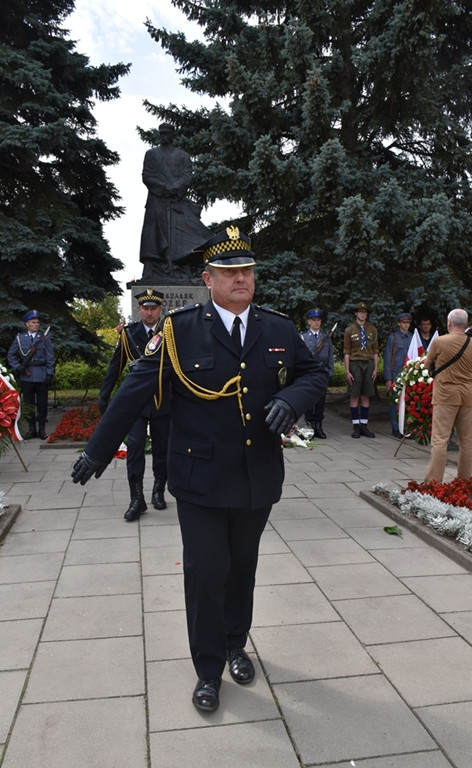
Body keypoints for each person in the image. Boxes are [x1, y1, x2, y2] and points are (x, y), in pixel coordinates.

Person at [72, 225, 327, 714]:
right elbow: (134, 390)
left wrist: (290, 399)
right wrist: (97, 452)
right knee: (206, 571)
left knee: (242, 569)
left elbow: (312, 371)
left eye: (247, 271)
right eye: (230, 273)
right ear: (207, 279)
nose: (241, 279)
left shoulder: (276, 327)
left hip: (256, 476)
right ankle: (208, 669)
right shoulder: (179, 330)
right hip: (200, 480)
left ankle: (236, 644)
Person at [98, 289, 171, 521]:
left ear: (160, 309)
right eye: (145, 308)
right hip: (136, 402)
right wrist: (104, 394)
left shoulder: (168, 332)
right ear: (139, 309)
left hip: (163, 398)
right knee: (135, 449)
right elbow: (116, 365)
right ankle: (136, 498)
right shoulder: (129, 334)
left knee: (162, 450)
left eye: (154, 308)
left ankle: (158, 491)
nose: (149, 313)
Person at [139, 123, 211, 282]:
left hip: (176, 202)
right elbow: (147, 176)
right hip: (156, 202)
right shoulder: (151, 154)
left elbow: (187, 176)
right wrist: (164, 188)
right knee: (155, 238)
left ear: (172, 135)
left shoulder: (182, 156)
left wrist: (175, 187)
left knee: (179, 236)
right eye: (161, 133)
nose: (164, 136)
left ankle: (179, 267)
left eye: (167, 133)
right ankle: (154, 269)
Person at [423, 308, 472, 483]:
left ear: (449, 323)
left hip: (445, 395)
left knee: (440, 440)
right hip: (468, 396)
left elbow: (428, 365)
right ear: (465, 324)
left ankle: (433, 482)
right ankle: (464, 483)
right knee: (467, 442)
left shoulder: (439, 341)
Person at [8, 310, 54, 440]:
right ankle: (31, 429)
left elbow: (50, 357)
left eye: (38, 322)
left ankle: (42, 430)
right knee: (28, 404)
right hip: (27, 375)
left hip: (41, 374)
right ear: (27, 324)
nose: (36, 325)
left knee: (42, 404)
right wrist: (18, 367)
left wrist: (50, 373)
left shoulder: (44, 338)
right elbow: (11, 355)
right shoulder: (20, 337)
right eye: (33, 322)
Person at [343, 301, 379, 438]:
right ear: (356, 313)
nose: (363, 314)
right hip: (355, 364)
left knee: (366, 395)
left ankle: (364, 426)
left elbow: (375, 351)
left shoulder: (372, 329)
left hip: (368, 363)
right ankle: (356, 427)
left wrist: (375, 368)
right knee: (355, 395)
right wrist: (347, 371)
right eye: (360, 312)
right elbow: (346, 352)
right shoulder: (349, 330)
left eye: (365, 312)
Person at [300, 308, 334, 438]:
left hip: (322, 372)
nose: (316, 322)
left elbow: (330, 356)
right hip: (308, 373)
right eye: (313, 320)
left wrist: (329, 372)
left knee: (320, 400)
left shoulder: (326, 338)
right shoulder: (303, 336)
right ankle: (309, 425)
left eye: (318, 320)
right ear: (309, 321)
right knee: (309, 400)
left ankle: (319, 426)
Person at [383, 312, 413, 438]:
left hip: (409, 375)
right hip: (396, 374)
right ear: (399, 323)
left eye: (408, 323)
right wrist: (388, 378)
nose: (406, 325)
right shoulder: (393, 338)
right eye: (403, 323)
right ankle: (396, 428)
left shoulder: (412, 337)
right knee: (394, 402)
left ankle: (406, 428)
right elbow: (388, 358)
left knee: (408, 402)